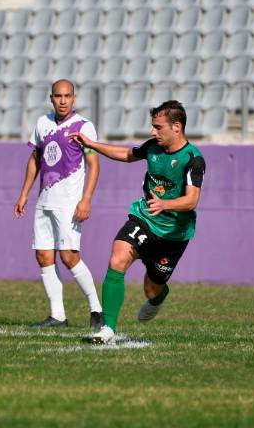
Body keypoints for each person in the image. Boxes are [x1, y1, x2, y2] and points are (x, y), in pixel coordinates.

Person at [72, 100, 206, 344]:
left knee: (151, 288)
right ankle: (108, 328)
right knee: (118, 257)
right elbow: (126, 154)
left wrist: (165, 204)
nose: (153, 132)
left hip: (173, 234)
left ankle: (158, 297)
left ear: (176, 127)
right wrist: (91, 145)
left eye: (158, 127)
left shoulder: (193, 159)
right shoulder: (153, 147)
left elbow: (192, 200)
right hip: (144, 218)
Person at [14, 79, 103, 329]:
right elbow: (35, 159)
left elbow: (94, 164)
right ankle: (58, 316)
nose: (62, 100)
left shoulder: (83, 126)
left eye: (67, 96)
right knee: (43, 256)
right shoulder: (43, 123)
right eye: (57, 96)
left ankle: (97, 308)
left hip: (69, 203)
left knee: (69, 256)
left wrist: (86, 199)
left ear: (74, 98)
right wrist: (24, 194)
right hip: (45, 200)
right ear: (51, 98)